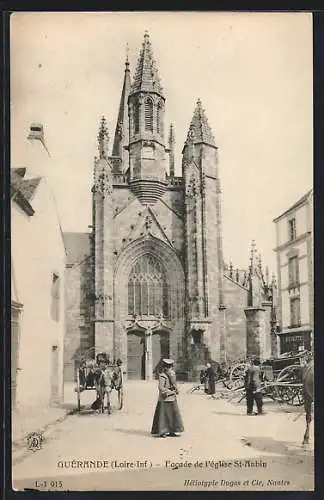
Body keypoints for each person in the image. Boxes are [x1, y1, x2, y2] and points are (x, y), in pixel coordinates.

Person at [151, 359, 184, 438]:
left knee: (173, 415)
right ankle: (163, 431)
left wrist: (176, 390)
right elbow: (161, 387)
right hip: (164, 398)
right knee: (163, 415)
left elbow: (174, 385)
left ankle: (172, 431)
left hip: (172, 398)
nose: (170, 369)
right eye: (168, 367)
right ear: (165, 367)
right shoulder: (162, 376)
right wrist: (170, 392)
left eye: (171, 367)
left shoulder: (173, 375)